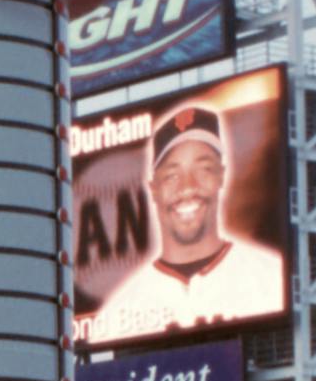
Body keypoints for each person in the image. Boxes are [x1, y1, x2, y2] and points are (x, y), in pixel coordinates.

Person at [78, 103, 287, 347]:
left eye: (204, 169)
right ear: (153, 189)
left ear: (222, 174)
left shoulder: (273, 278)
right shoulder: (116, 314)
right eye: (172, 176)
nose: (187, 187)